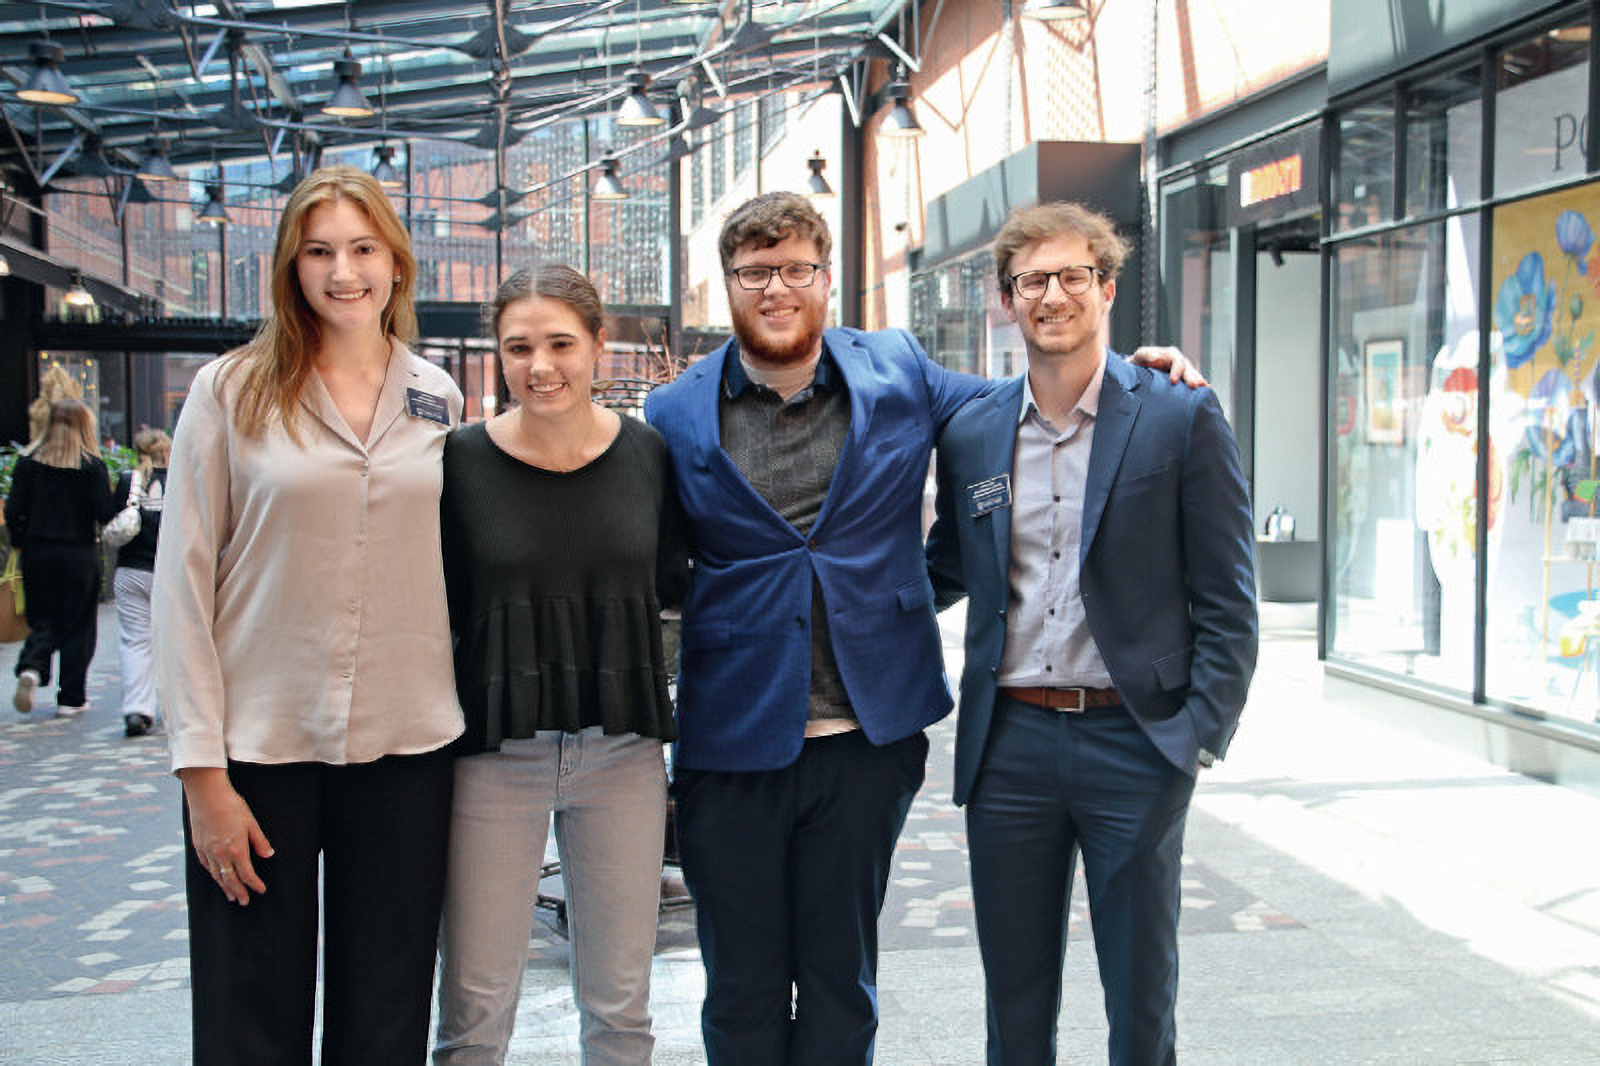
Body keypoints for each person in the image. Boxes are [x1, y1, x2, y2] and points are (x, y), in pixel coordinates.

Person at [643, 190, 1199, 1064]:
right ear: (728, 286)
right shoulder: (672, 410)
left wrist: (1133, 371)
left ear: (828, 280)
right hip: (730, 736)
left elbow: (1036, 400)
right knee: (740, 986)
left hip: (868, 735)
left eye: (796, 269)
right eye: (755, 273)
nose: (776, 288)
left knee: (841, 979)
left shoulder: (898, 368)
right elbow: (658, 563)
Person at [925, 201, 1258, 1065]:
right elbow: (942, 569)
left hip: (1134, 742)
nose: (1053, 295)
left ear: (1106, 289)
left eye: (1074, 275)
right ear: (1007, 301)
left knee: (1141, 1002)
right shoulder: (972, 434)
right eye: (1032, 280)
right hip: (1011, 749)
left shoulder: (1179, 414)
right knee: (1016, 1002)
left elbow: (1229, 598)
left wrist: (1193, 739)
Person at [151, 166, 462, 1064]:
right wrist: (200, 775)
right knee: (250, 1015)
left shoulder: (438, 396)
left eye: (362, 249)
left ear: (396, 263)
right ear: (291, 267)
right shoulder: (229, 391)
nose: (342, 272)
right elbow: (181, 587)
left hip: (406, 747)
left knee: (387, 1011)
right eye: (318, 251)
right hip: (257, 752)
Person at [433, 265, 687, 1064]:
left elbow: (678, 583)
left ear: (597, 345)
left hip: (623, 755)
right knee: (475, 1011)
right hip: (493, 757)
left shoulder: (649, 453)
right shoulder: (458, 462)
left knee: (621, 1008)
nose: (540, 366)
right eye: (518, 348)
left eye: (559, 344)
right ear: (497, 357)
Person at [7, 398, 121, 718]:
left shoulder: (28, 462)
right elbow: (104, 513)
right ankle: (70, 698)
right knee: (79, 624)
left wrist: (20, 541)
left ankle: (32, 665)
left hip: (37, 550)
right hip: (79, 552)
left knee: (42, 617)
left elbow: (14, 509)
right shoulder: (91, 466)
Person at [112, 427, 170, 738]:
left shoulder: (127, 480)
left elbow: (110, 516)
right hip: (169, 572)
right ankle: (172, 707)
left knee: (135, 640)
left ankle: (137, 710)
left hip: (131, 570)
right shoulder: (181, 478)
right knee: (172, 642)